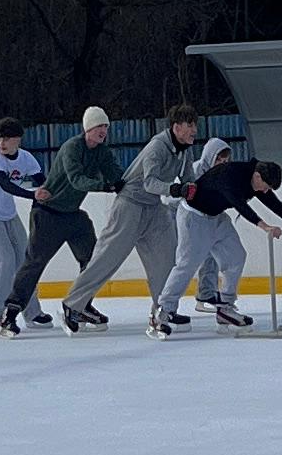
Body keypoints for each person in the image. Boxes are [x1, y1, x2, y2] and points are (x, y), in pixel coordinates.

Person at [158, 144, 282, 335]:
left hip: (216, 218)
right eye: (266, 187)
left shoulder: (256, 177)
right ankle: (163, 311)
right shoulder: (231, 175)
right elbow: (240, 205)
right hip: (193, 217)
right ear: (257, 177)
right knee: (187, 265)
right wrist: (264, 226)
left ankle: (225, 308)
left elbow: (273, 203)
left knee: (236, 257)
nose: (265, 191)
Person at [75, 104, 199, 326]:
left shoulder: (184, 150)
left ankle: (163, 309)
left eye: (195, 125)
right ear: (176, 127)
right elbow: (149, 183)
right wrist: (175, 189)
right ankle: (73, 305)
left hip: (153, 207)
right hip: (130, 204)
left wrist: (197, 191)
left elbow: (189, 179)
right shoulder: (157, 147)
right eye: (190, 125)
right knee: (107, 257)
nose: (194, 130)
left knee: (166, 258)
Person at [21, 106, 123, 328]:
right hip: (47, 213)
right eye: (98, 126)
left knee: (94, 261)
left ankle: (81, 304)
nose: (103, 131)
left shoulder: (102, 152)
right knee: (35, 263)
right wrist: (104, 186)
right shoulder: (72, 147)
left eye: (105, 127)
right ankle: (10, 311)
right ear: (88, 128)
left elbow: (116, 175)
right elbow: (76, 180)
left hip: (72, 214)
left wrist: (126, 184)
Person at [0, 118, 53, 332]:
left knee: (26, 262)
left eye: (7, 138)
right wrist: (33, 195)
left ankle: (32, 313)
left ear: (18, 139)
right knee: (4, 264)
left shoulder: (26, 158)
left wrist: (51, 193)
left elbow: (42, 180)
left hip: (8, 215)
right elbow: (6, 185)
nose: (1, 143)